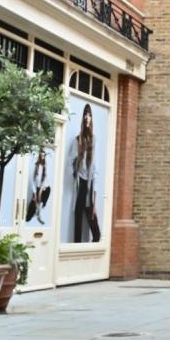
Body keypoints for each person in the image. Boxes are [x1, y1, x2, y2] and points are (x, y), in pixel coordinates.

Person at [71, 103, 100, 242]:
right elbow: (72, 163)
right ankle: (75, 251)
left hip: (89, 183)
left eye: (89, 115)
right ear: (82, 118)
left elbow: (93, 168)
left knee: (96, 232)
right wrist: (75, 167)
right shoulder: (78, 140)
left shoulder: (93, 139)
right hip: (80, 183)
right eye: (85, 115)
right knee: (77, 219)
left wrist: (94, 201)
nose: (87, 118)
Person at [26, 149, 51, 224]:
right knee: (34, 202)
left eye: (44, 155)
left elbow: (45, 179)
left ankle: (39, 214)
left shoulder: (46, 166)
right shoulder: (37, 166)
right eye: (41, 155)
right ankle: (32, 215)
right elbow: (33, 180)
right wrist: (34, 192)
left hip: (43, 188)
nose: (43, 157)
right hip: (36, 187)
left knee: (42, 198)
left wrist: (40, 191)